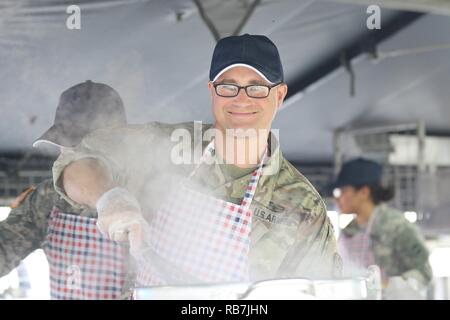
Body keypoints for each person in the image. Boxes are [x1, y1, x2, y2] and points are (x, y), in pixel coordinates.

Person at [53, 34, 342, 286]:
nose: (242, 99)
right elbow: (79, 161)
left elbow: (316, 291)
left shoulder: (303, 205)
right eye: (228, 86)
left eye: (256, 87)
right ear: (212, 91)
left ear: (279, 96)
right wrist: (109, 197)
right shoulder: (163, 146)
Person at [0, 80, 133, 299]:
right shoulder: (48, 199)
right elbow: (4, 248)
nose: (68, 155)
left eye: (81, 147)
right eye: (65, 144)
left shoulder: (155, 188)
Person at [330, 157, 432, 299]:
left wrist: (395, 286)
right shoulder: (348, 232)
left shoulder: (397, 227)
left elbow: (424, 272)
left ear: (364, 192)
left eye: (342, 191)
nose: (337, 198)